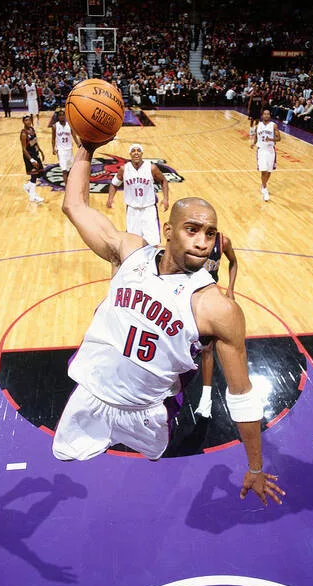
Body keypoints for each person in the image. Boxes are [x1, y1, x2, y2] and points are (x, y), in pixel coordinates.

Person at [55, 139, 286, 506]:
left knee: (147, 474)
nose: (203, 242)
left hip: (147, 411)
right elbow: (74, 204)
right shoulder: (129, 252)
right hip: (92, 392)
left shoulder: (216, 308)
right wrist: (86, 146)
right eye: (192, 229)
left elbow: (241, 396)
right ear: (167, 230)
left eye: (209, 234)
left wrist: (255, 467)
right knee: (65, 458)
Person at [194, 232, 238, 418]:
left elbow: (233, 262)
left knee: (207, 348)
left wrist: (230, 289)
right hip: (190, 295)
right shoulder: (191, 242)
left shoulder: (223, 242)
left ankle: (206, 400)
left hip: (210, 298)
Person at [106, 143, 170, 246]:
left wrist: (165, 198)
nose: (136, 153)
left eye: (138, 151)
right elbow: (114, 184)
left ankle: (152, 260)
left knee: (152, 240)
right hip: (132, 209)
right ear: (130, 154)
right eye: (133, 151)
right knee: (133, 241)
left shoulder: (151, 168)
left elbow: (163, 181)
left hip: (148, 208)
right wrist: (110, 198)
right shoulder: (124, 169)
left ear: (142, 153)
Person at [250, 109, 281, 201]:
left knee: (268, 171)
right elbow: (256, 136)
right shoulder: (258, 125)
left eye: (268, 114)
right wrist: (253, 143)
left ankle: (263, 184)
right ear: (262, 115)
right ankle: (265, 189)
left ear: (270, 116)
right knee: (263, 171)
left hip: (270, 150)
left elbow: (279, 138)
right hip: (261, 150)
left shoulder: (273, 125)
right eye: (265, 114)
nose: (266, 115)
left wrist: (271, 139)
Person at [20, 114, 45, 203]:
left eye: (29, 120)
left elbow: (35, 142)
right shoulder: (23, 133)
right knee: (34, 175)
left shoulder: (32, 130)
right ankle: (33, 196)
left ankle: (27, 187)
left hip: (35, 153)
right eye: (26, 120)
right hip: (29, 155)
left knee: (40, 174)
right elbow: (24, 149)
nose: (28, 122)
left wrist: (41, 151)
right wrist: (31, 160)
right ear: (23, 122)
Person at [52, 109, 80, 187]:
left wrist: (78, 144)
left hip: (69, 149)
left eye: (63, 115)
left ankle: (71, 183)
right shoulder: (55, 126)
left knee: (70, 169)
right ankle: (67, 187)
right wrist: (53, 148)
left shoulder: (69, 125)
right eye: (60, 115)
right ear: (58, 117)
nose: (62, 116)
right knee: (64, 170)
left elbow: (74, 135)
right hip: (60, 150)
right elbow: (53, 138)